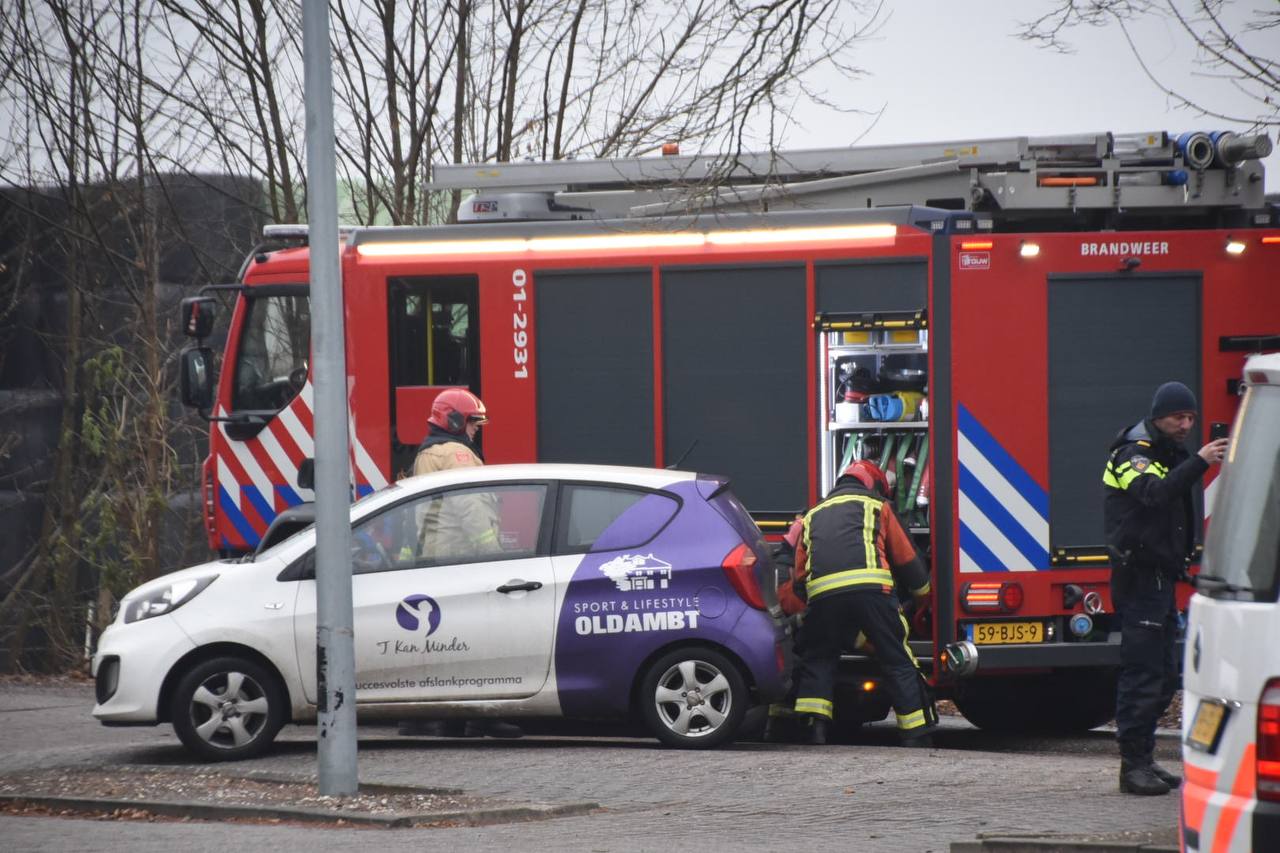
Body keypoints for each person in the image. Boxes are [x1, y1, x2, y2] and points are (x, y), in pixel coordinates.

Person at [1103, 381, 1227, 795]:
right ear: (1158, 416)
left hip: (1160, 580)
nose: (1186, 425)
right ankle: (1131, 767)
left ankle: (1146, 758)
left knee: (1165, 675)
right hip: (1139, 580)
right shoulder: (1132, 454)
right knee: (1142, 674)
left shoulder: (1165, 452)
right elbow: (1154, 495)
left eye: (1191, 418)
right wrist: (1201, 461)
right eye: (1179, 417)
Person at [398, 388, 521, 740]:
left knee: (440, 642)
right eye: (471, 423)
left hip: (435, 558)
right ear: (453, 420)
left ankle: (431, 719)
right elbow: (472, 508)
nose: (475, 430)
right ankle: (482, 717)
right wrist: (495, 554)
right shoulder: (456, 454)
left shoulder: (426, 452)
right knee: (482, 639)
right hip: (462, 559)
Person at [788, 460, 937, 747]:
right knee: (896, 658)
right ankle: (916, 734)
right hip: (872, 594)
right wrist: (923, 599)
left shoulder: (812, 515)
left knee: (818, 658)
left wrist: (809, 605)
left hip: (823, 597)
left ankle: (813, 730)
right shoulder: (878, 506)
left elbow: (800, 573)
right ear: (875, 484)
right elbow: (907, 560)